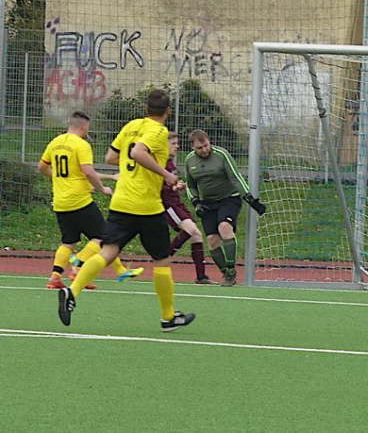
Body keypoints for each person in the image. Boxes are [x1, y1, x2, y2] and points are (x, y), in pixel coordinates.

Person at [57, 89, 195, 332]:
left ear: (145, 109)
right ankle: (168, 316)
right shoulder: (158, 131)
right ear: (168, 111)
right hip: (146, 205)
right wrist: (166, 174)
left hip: (121, 201)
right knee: (162, 259)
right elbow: (137, 152)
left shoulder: (131, 126)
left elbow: (111, 157)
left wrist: (134, 168)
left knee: (108, 251)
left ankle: (73, 291)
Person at [38, 111, 143, 291]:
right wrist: (103, 188)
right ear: (83, 127)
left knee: (68, 241)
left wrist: (59, 179)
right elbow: (88, 172)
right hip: (80, 200)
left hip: (61, 202)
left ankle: (55, 277)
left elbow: (42, 167)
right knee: (103, 237)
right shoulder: (81, 145)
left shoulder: (55, 142)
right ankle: (78, 266)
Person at [184, 129, 266, 286]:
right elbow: (190, 185)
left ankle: (231, 268)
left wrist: (249, 198)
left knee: (224, 227)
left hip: (229, 199)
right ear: (193, 148)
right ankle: (226, 273)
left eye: (206, 145)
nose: (204, 150)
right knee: (212, 240)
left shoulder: (221, 155)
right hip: (207, 203)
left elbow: (235, 178)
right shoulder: (189, 161)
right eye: (199, 148)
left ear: (210, 142)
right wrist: (195, 202)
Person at [163, 131, 214, 285]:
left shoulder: (170, 162)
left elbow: (169, 184)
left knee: (197, 235)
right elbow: (157, 187)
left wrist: (178, 186)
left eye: (177, 143)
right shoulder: (158, 163)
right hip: (167, 204)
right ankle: (163, 258)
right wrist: (173, 187)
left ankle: (201, 277)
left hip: (176, 202)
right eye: (173, 143)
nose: (177, 146)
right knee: (191, 230)